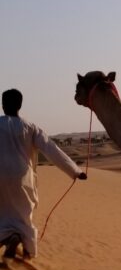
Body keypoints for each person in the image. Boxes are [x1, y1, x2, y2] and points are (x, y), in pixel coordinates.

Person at [0, 88, 86, 259]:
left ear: (2, 105)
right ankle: (26, 250)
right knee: (24, 214)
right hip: (23, 178)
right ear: (20, 105)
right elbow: (51, 149)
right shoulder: (30, 127)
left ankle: (8, 238)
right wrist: (75, 171)